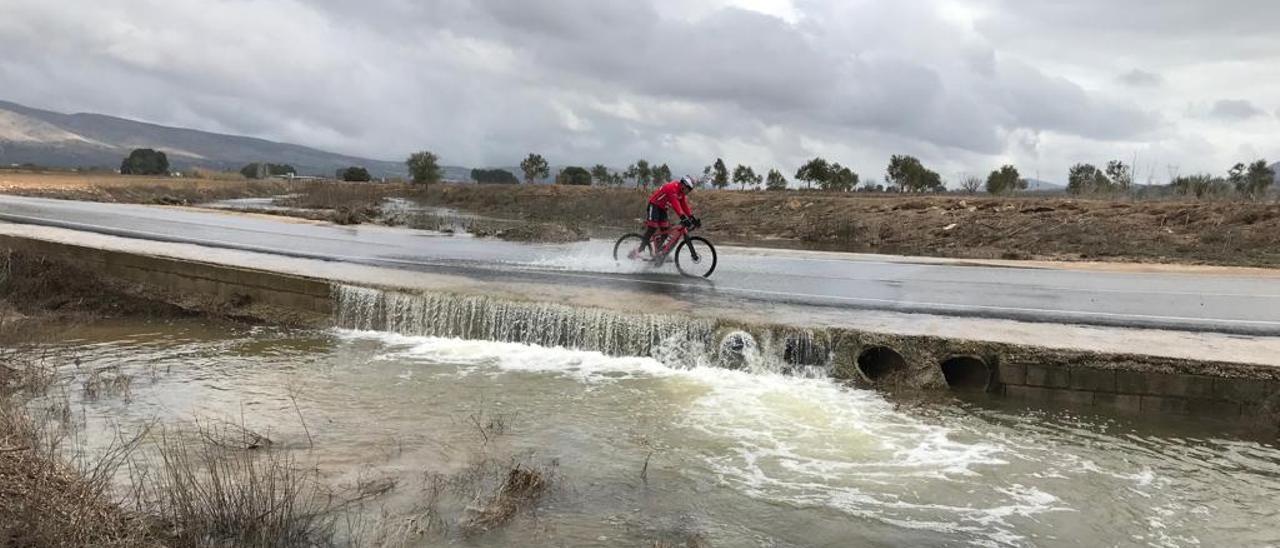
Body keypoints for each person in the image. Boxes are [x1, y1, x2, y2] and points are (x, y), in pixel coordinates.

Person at [634, 175, 700, 259]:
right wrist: (683, 217)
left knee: (665, 232)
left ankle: (658, 254)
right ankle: (640, 249)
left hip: (662, 208)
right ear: (684, 185)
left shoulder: (681, 192)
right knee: (652, 227)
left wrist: (692, 217)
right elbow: (676, 205)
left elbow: (684, 205)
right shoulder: (672, 188)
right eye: (689, 189)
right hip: (654, 205)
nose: (689, 191)